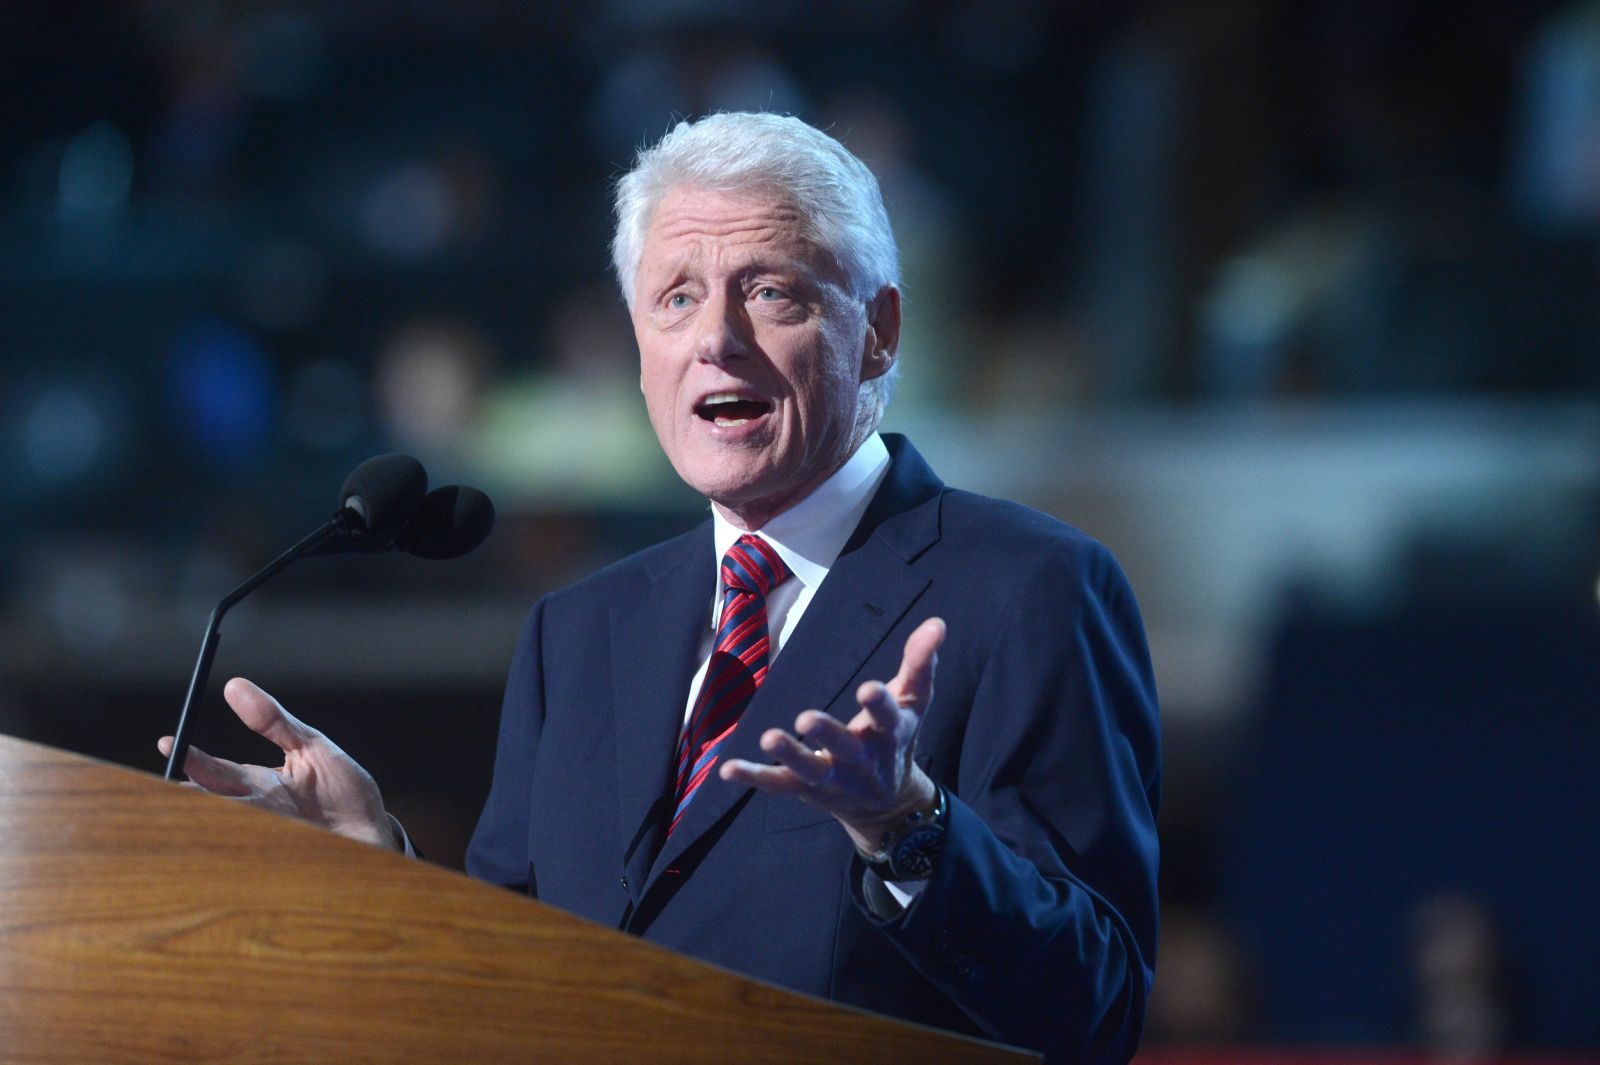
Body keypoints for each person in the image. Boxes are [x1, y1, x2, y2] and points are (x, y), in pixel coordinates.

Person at [159, 112, 1161, 1064]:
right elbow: (515, 984)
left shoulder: (1028, 589)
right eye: (675, 298)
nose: (715, 338)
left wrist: (906, 827)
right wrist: (378, 861)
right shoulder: (577, 629)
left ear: (878, 332)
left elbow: (1097, 1009)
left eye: (770, 292)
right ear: (639, 349)